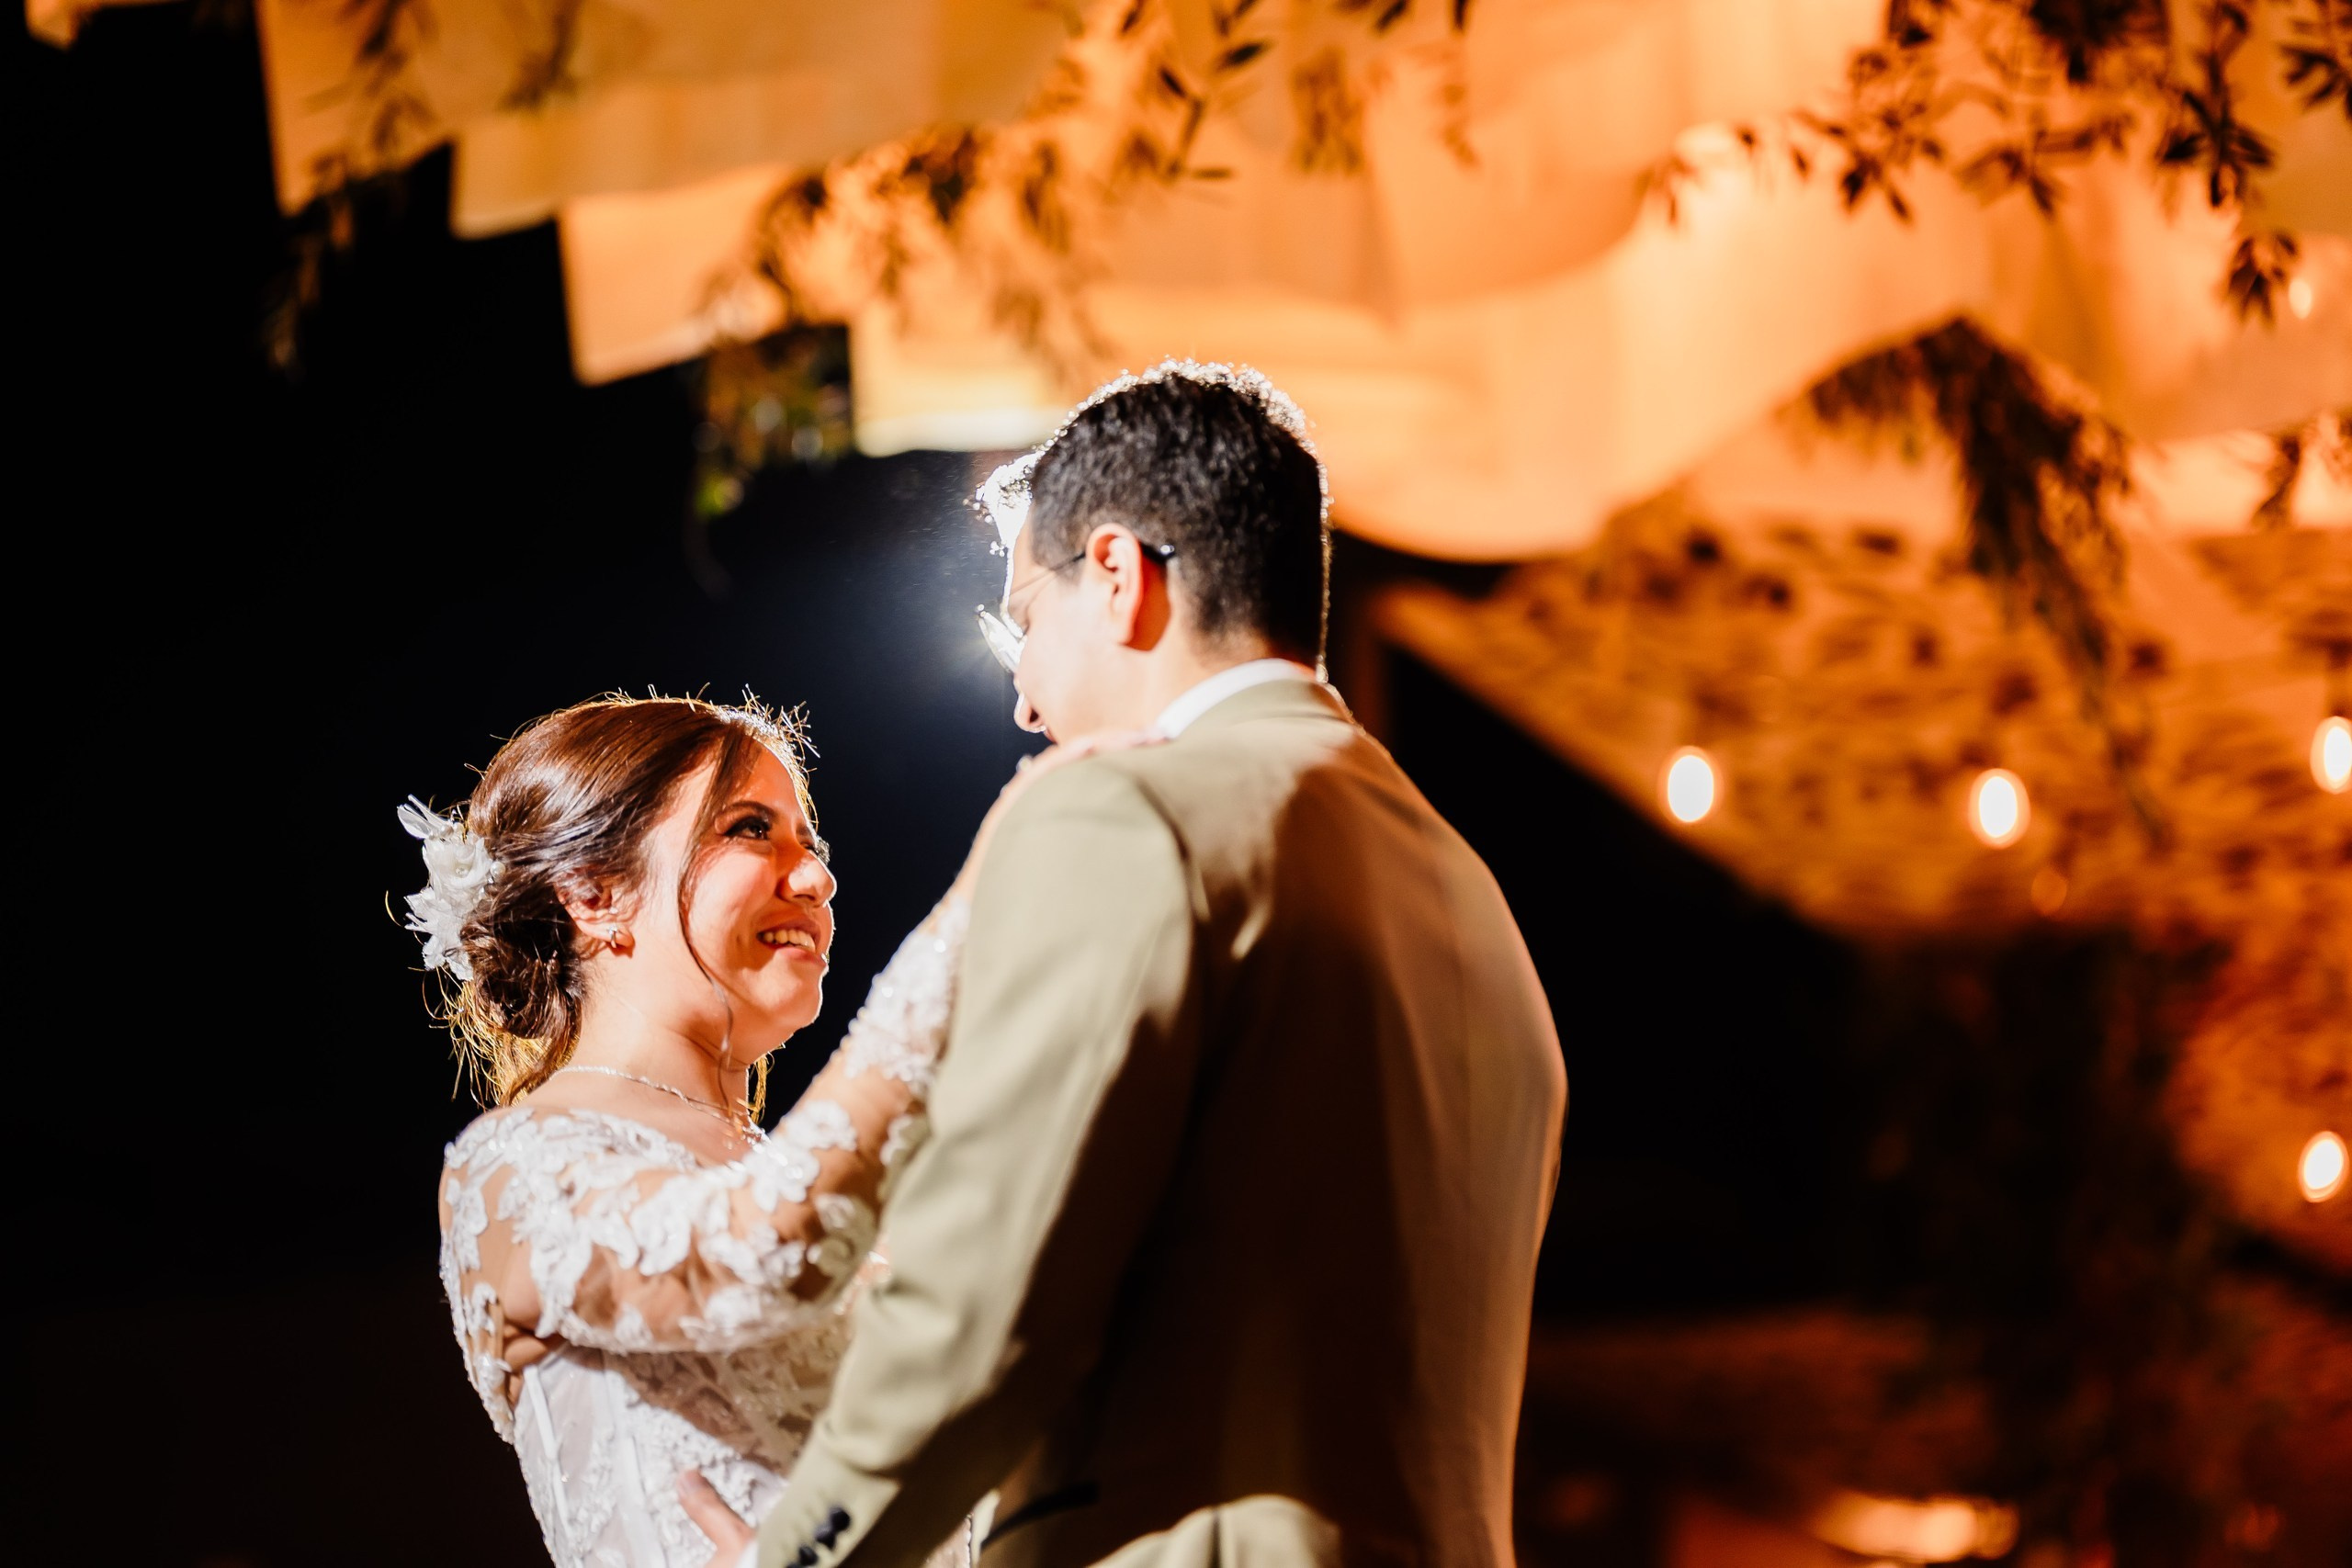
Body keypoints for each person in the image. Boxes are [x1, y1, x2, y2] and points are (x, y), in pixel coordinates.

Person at [742, 362, 1567, 1568]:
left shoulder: (1128, 814)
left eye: (1023, 618)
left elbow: (985, 1304)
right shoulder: (1471, 897)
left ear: (1121, 576)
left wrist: (800, 1555)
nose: (1025, 700)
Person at [412, 694, 1090, 1568]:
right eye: (750, 828)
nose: (813, 877)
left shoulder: (809, 1176)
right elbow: (762, 1253)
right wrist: (964, 933)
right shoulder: (514, 1167)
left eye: (811, 842)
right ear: (592, 892)